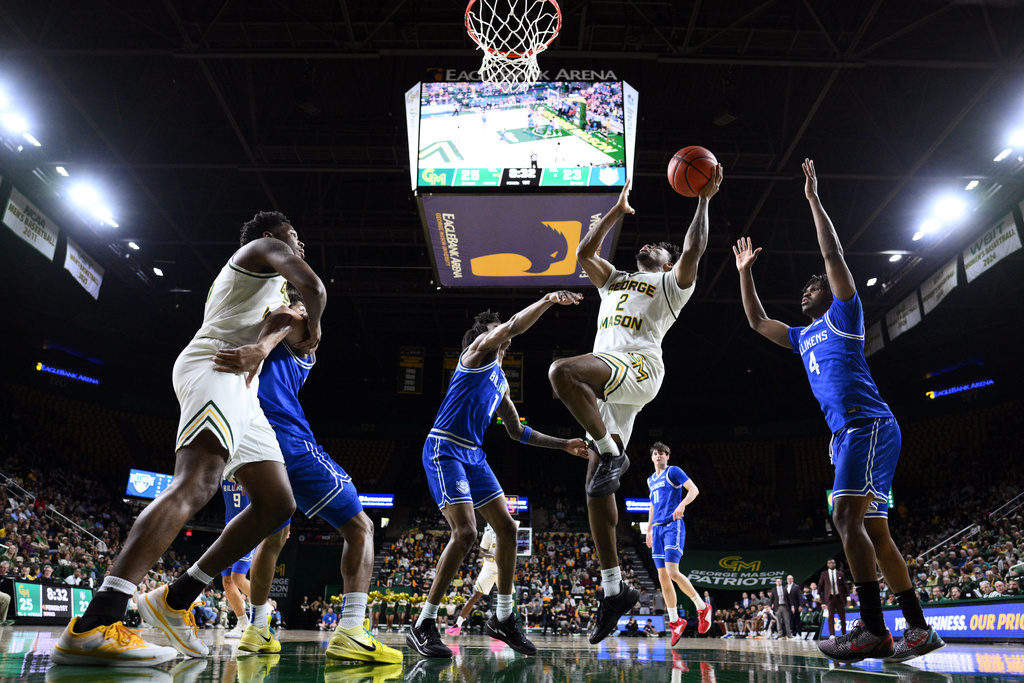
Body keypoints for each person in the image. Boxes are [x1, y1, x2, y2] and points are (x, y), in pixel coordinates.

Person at [51, 211, 324, 667]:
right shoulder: (262, 250)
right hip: (217, 364)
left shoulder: (274, 290)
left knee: (278, 505)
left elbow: (286, 319)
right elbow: (314, 293)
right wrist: (307, 324)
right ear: (271, 236)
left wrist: (270, 340)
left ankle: (176, 598)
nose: (299, 245)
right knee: (197, 484)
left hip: (245, 384)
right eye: (294, 236)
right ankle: (96, 621)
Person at [733, 159, 944, 663]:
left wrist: (812, 199)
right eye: (803, 290)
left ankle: (874, 630)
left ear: (831, 292)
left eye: (814, 286)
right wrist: (745, 275)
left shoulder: (845, 314)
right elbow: (758, 321)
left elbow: (831, 253)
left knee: (843, 517)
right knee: (872, 530)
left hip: (866, 427)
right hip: (851, 434)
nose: (807, 291)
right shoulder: (802, 335)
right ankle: (917, 629)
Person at [548, 168, 723, 645]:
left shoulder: (670, 285)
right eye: (645, 244)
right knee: (594, 489)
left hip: (638, 368)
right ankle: (612, 591)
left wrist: (703, 199)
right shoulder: (615, 279)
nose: (649, 246)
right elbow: (583, 253)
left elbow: (694, 250)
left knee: (562, 371)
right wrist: (616, 212)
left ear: (665, 262)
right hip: (608, 379)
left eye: (658, 248)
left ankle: (611, 449)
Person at [214, 289, 400, 663]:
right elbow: (290, 313)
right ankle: (351, 630)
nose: (307, 320)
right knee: (361, 526)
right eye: (303, 311)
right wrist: (279, 328)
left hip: (250, 441)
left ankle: (258, 627)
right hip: (290, 441)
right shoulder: (284, 324)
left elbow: (290, 320)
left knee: (275, 534)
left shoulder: (287, 336)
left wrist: (266, 341)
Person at [407, 292, 589, 658]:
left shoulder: (502, 383)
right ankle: (423, 623)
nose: (503, 334)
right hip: (445, 448)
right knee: (466, 532)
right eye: (497, 330)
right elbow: (513, 326)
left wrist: (563, 444)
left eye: (501, 331)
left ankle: (503, 618)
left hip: (473, 455)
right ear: (484, 337)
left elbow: (517, 432)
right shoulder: (475, 354)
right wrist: (549, 299)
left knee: (507, 529)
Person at [644, 441, 711, 646]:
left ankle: (702, 607)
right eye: (655, 453)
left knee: (673, 572)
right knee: (662, 576)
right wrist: (648, 529)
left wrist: (682, 504)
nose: (659, 456)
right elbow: (653, 506)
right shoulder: (650, 480)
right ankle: (675, 621)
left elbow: (694, 490)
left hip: (673, 525)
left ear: (668, 456)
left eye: (662, 453)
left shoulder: (674, 472)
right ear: (652, 457)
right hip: (657, 529)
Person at [445, 522, 515, 636]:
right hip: (489, 568)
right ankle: (457, 625)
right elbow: (481, 553)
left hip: (504, 568)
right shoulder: (489, 534)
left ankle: (504, 629)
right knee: (475, 596)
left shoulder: (508, 533)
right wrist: (493, 555)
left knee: (507, 599)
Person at [220, 480, 253, 639]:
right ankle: (243, 624)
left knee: (238, 577)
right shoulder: (223, 469)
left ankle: (263, 612)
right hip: (229, 529)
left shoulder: (251, 467)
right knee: (227, 581)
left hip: (248, 528)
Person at [819, 558, 849, 637]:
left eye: (833, 563)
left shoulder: (840, 574)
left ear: (835, 564)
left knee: (842, 617)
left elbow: (845, 586)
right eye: (830, 563)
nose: (831, 564)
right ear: (827, 564)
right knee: (830, 617)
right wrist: (818, 594)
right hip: (830, 597)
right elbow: (820, 585)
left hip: (839, 597)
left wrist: (848, 596)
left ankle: (844, 634)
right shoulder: (824, 574)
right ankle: (832, 634)